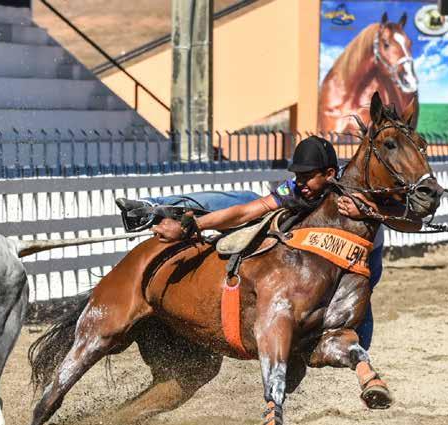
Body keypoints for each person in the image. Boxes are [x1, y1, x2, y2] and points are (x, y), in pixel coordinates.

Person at [115, 136, 408, 350]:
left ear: (330, 175)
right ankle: (154, 207)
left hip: (364, 261)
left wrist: (370, 212)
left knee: (361, 340)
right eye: (298, 176)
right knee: (242, 198)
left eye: (307, 176)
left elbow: (413, 220)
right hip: (312, 253)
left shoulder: (357, 187)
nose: (300, 182)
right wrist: (194, 225)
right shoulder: (295, 189)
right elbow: (246, 211)